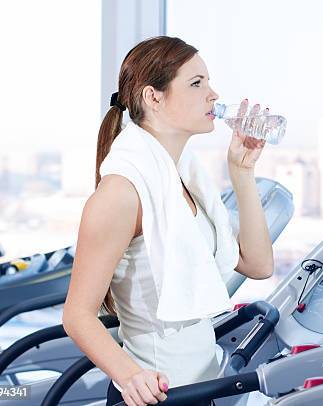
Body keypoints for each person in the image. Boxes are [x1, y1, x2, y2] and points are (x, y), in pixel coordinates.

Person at [62, 36, 274, 406]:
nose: (213, 94)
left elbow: (258, 264)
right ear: (153, 97)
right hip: (158, 395)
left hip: (200, 388)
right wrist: (131, 378)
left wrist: (241, 172)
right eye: (197, 83)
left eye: (208, 82)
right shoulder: (121, 193)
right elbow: (77, 315)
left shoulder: (183, 179)